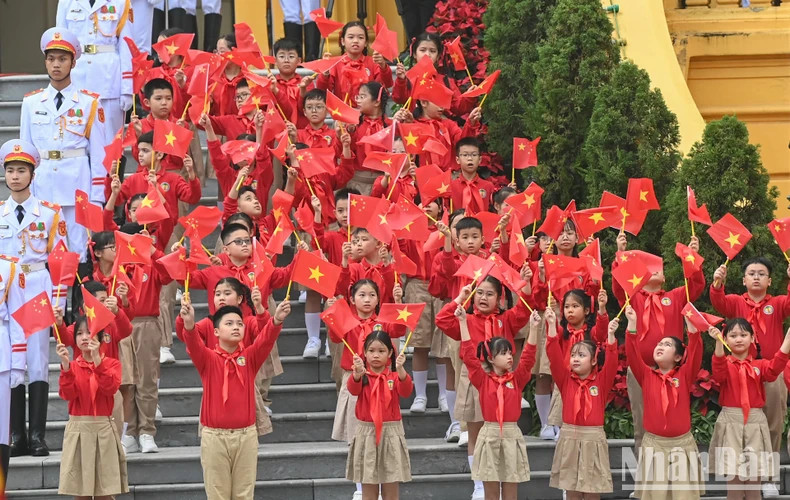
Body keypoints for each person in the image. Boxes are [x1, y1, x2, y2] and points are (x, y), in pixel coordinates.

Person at [179, 300, 291, 500]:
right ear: (216, 332)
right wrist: (188, 324)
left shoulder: (249, 358)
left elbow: (264, 341)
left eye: (239, 323)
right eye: (229, 324)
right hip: (214, 437)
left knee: (244, 494)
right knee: (217, 494)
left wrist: (276, 320)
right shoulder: (208, 358)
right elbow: (194, 344)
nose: (236, 327)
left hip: (246, 436)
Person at [435, 277, 533, 500]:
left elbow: (524, 310)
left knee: (500, 429)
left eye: (489, 294)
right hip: (475, 374)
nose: (483, 297)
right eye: (479, 292)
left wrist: (526, 286)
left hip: (502, 378)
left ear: (499, 299)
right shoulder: (466, 319)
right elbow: (442, 320)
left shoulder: (506, 319)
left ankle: (503, 479)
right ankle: (479, 483)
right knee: (475, 431)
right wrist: (460, 297)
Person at [0, 138, 67, 458]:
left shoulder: (50, 213)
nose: (15, 176)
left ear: (32, 173)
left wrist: (60, 300)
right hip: (7, 289)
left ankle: (38, 435)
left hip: (38, 284)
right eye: (10, 170)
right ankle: (15, 435)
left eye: (21, 170)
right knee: (11, 360)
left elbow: (62, 259)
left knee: (38, 360)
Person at [20, 28, 106, 262]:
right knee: (44, 252)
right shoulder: (31, 103)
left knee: (80, 253)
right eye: (51, 59)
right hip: (43, 186)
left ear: (73, 63)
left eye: (62, 59)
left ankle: (78, 300)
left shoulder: (90, 103)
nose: (56, 64)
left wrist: (97, 196)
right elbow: (25, 153)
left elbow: (100, 154)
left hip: (77, 186)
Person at [612, 234, 705, 453]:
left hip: (673, 373)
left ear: (664, 278)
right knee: (642, 423)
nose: (654, 269)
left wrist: (691, 257)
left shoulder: (675, 296)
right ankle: (643, 477)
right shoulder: (633, 297)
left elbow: (697, 285)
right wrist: (620, 256)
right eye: (648, 266)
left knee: (673, 420)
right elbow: (618, 288)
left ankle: (672, 471)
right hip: (641, 371)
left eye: (658, 267)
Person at [709, 255, 790, 481]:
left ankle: (769, 476)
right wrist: (717, 284)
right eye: (751, 274)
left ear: (770, 281)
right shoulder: (736, 301)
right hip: (740, 371)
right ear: (743, 280)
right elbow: (719, 302)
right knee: (742, 426)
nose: (756, 277)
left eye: (761, 274)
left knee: (773, 424)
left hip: (771, 371)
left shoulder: (778, 303)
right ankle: (742, 473)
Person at [326, 279, 406, 499]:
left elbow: (399, 329)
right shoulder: (347, 319)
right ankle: (362, 488)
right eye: (361, 295)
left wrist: (398, 301)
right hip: (357, 378)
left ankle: (380, 484)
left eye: (372, 295)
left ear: (379, 299)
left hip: (383, 379)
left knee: (381, 431)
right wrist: (333, 312)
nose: (367, 300)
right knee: (357, 432)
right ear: (352, 298)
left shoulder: (382, 320)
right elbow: (335, 336)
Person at [458, 305, 539, 500]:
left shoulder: (516, 379)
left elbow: (527, 358)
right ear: (491, 359)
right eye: (503, 353)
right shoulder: (482, 379)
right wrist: (462, 322)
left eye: (510, 352)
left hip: (511, 434)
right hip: (489, 434)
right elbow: (469, 356)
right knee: (491, 490)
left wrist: (534, 329)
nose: (510, 356)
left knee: (511, 488)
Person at [625, 305, 704, 499]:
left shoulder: (685, 375)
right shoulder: (645, 374)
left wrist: (692, 330)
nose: (660, 346)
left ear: (678, 357)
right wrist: (632, 325)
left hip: (682, 444)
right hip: (654, 445)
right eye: (659, 343)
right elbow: (633, 354)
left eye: (667, 345)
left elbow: (695, 354)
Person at [708, 319, 790, 498]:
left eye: (744, 335)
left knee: (754, 475)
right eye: (733, 335)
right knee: (734, 478)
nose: (738, 339)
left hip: (755, 422)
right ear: (726, 339)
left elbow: (775, 368)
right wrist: (717, 344)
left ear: (752, 338)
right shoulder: (725, 364)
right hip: (731, 422)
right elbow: (718, 372)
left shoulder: (759, 365)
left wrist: (787, 340)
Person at [546, 307, 618, 499]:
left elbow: (611, 362)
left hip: (593, 440)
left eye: (582, 355)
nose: (575, 359)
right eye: (573, 355)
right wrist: (552, 326)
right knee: (572, 491)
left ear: (594, 361)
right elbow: (553, 356)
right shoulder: (565, 380)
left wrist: (610, 336)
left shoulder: (601, 382)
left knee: (592, 491)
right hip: (570, 438)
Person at [55, 317, 128, 498]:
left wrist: (97, 361)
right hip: (78, 431)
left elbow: (109, 388)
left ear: (101, 337)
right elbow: (67, 395)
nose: (84, 337)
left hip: (103, 429)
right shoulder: (71, 366)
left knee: (106, 493)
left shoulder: (112, 364)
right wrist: (65, 366)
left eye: (89, 332)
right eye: (79, 333)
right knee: (80, 493)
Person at [346, 331, 413, 500]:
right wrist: (356, 374)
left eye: (381, 351)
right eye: (371, 351)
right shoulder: (361, 375)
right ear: (365, 353)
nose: (376, 355)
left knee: (391, 483)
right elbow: (353, 389)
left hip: (390, 432)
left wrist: (401, 369)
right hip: (367, 433)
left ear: (390, 353)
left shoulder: (394, 376)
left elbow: (406, 391)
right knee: (369, 486)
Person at [55, 0, 133, 136]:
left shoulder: (120, 3)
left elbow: (127, 45)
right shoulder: (67, 2)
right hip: (76, 76)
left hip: (109, 79)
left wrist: (127, 88)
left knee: (109, 139)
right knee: (76, 136)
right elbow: (60, 44)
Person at [316, 21, 394, 104]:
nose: (356, 41)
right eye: (351, 37)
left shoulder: (373, 62)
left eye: (360, 37)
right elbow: (322, 90)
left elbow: (387, 84)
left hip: (368, 112)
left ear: (366, 43)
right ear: (342, 41)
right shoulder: (335, 63)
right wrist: (325, 73)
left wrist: (383, 66)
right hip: (342, 112)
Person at [450, 138, 495, 214]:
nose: (470, 158)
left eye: (474, 155)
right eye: (465, 155)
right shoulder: (450, 187)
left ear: (480, 159)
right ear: (457, 160)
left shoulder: (488, 186)